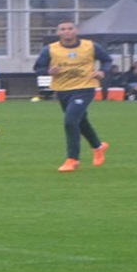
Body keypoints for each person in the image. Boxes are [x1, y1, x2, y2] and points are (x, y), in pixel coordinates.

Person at [36, 21, 112, 172]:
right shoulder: (50, 49)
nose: (67, 32)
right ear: (58, 32)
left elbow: (107, 60)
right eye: (63, 29)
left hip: (85, 87)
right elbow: (39, 68)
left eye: (70, 29)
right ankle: (98, 147)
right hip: (63, 90)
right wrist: (49, 71)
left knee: (70, 121)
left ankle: (72, 159)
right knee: (81, 121)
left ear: (76, 31)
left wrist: (102, 71)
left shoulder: (90, 46)